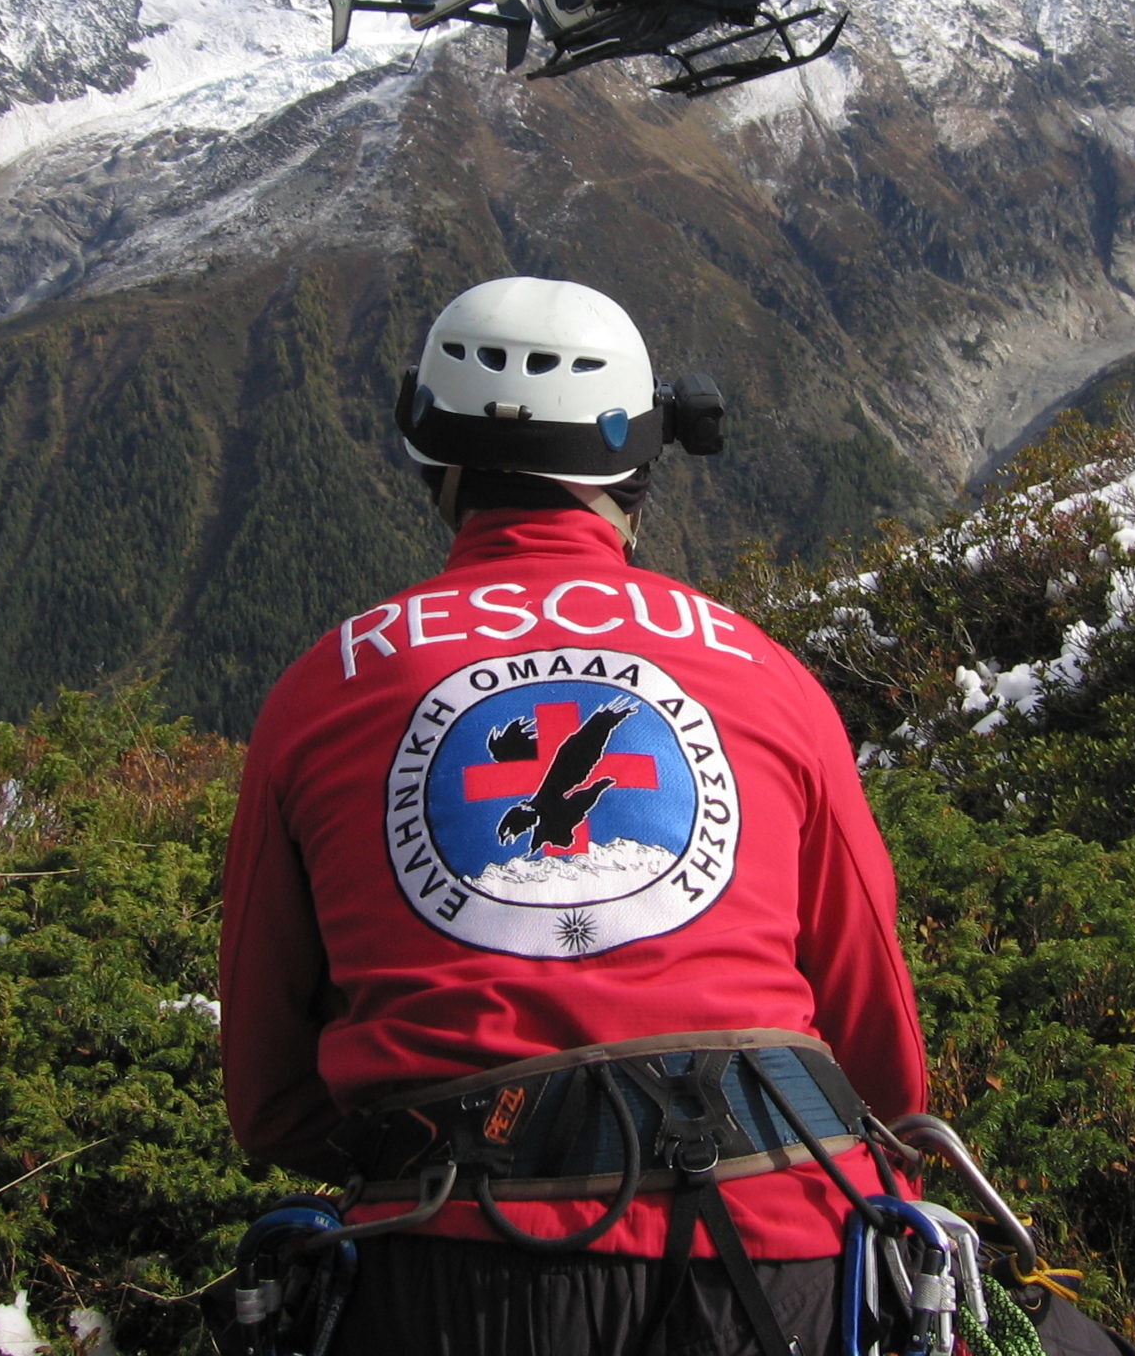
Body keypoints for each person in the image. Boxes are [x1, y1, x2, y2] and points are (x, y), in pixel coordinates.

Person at [218, 276, 927, 1353]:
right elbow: (883, 1064)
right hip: (779, 1242)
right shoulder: (767, 675)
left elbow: (268, 1099)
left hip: (454, 1262)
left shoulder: (326, 687)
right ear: (643, 460)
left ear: (431, 452)